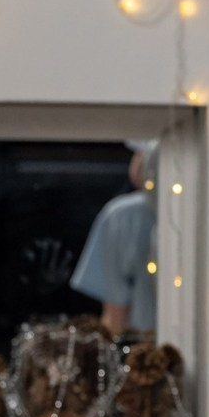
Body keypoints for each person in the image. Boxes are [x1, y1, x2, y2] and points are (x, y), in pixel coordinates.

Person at [70, 141, 158, 335]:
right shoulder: (127, 215)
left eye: (139, 153)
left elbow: (115, 313)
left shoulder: (123, 216)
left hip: (141, 348)